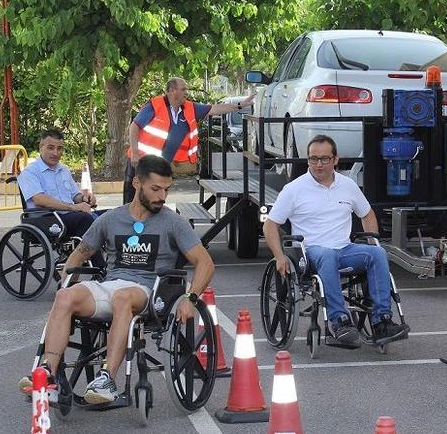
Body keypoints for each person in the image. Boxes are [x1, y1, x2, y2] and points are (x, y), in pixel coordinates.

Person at [19, 155, 216, 404]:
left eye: (166, 190)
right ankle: (48, 372)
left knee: (123, 297)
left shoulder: (173, 222)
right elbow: (79, 254)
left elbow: (205, 263)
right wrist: (67, 276)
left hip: (148, 291)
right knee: (65, 296)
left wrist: (191, 297)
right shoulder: (111, 219)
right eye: (155, 189)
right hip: (109, 286)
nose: (162, 197)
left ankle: (106, 379)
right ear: (136, 183)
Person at [263, 134, 410, 349]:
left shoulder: (347, 185)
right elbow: (270, 225)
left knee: (377, 254)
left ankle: (382, 322)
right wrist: (279, 256)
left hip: (345, 249)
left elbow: (367, 214)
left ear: (335, 159)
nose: (319, 164)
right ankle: (339, 322)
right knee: (328, 255)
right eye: (314, 159)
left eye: (324, 159)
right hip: (311, 252)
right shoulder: (294, 189)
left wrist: (371, 241)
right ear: (308, 160)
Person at [124, 77, 254, 202]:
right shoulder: (155, 106)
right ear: (171, 91)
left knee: (153, 202)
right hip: (139, 162)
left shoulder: (190, 108)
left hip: (160, 165)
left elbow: (215, 108)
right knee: (133, 202)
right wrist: (135, 152)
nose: (186, 92)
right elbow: (134, 126)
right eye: (183, 89)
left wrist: (240, 105)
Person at [17, 128, 105, 268]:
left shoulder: (63, 170)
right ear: (41, 147)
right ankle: (100, 267)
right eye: (50, 148)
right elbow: (39, 200)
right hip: (47, 219)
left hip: (71, 216)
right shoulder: (30, 172)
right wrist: (74, 207)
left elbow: (75, 196)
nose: (55, 153)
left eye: (59, 148)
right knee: (84, 218)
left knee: (110, 216)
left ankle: (119, 264)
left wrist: (84, 198)